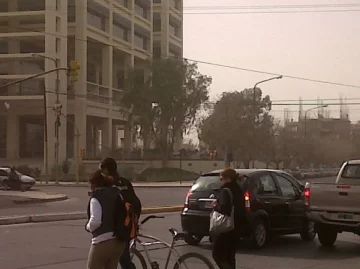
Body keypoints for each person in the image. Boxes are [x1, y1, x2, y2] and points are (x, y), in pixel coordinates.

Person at [99, 158, 142, 269]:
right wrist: (134, 222)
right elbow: (137, 203)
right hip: (126, 228)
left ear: (106, 170)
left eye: (102, 169)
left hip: (112, 229)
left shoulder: (106, 186)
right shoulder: (125, 182)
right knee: (123, 258)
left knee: (114, 260)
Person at [86, 170, 127, 269]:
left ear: (93, 184)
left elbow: (95, 221)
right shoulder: (116, 193)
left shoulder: (96, 198)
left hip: (103, 242)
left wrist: (88, 227)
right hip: (119, 242)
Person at [212, 168, 246, 269]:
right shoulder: (238, 189)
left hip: (226, 230)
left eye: (221, 179)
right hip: (237, 227)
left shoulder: (225, 190)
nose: (220, 181)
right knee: (230, 257)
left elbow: (224, 209)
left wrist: (215, 206)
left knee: (218, 256)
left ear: (228, 179)